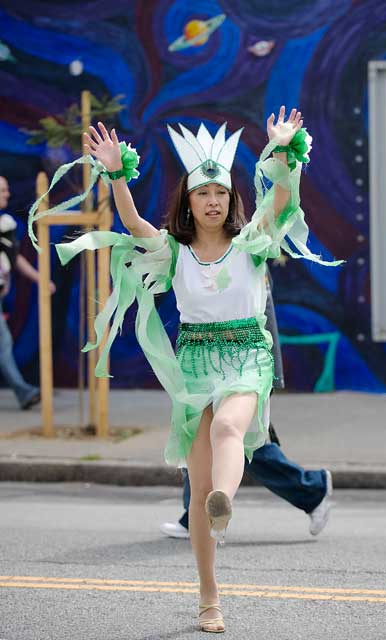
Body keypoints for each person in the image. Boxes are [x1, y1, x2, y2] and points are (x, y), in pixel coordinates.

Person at [38, 107, 342, 633]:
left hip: (248, 356)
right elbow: (131, 224)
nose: (212, 201)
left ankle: (225, 499)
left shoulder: (251, 244)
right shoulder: (174, 251)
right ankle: (209, 597)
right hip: (195, 365)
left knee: (230, 428)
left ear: (231, 200)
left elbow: (284, 199)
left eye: (220, 193)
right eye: (203, 194)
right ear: (189, 201)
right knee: (195, 494)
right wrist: (114, 173)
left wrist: (285, 153)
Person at [160, 270, 333, 540]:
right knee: (202, 437)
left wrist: (269, 374)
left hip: (245, 368)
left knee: (241, 443)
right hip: (209, 368)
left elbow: (262, 314)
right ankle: (193, 512)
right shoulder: (201, 249)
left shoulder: (244, 252)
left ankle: (312, 490)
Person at [0, 176, 55, 410]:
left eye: (7, 189)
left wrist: (40, 279)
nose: (7, 194)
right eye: (2, 190)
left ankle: (24, 391)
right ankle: (25, 392)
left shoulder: (6, 224)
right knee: (3, 343)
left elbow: (15, 258)